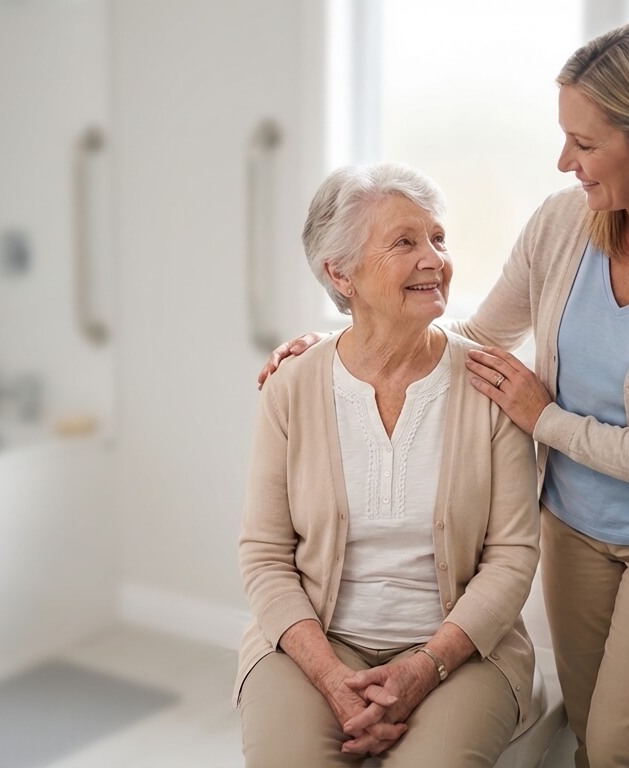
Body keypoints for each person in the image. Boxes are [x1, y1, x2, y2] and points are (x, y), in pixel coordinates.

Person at [257, 21, 629, 768]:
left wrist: (547, 420)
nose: (564, 160)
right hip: (574, 523)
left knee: (624, 748)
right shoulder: (565, 223)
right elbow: (474, 335)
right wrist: (334, 347)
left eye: (584, 143)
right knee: (588, 729)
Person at [236, 162, 540, 766]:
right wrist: (330, 678)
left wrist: (425, 667)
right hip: (315, 643)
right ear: (340, 273)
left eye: (438, 238)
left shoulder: (489, 385)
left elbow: (512, 558)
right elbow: (265, 556)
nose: (434, 259)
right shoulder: (292, 386)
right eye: (404, 242)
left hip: (461, 654)